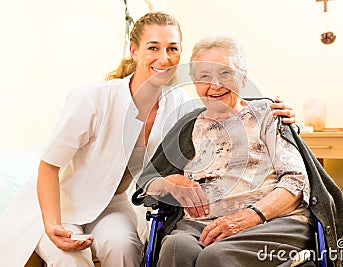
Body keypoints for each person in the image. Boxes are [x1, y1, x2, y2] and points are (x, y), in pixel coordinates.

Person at [0, 12, 296, 267]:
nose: (164, 58)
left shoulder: (180, 105)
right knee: (71, 260)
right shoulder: (94, 98)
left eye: (172, 48)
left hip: (113, 205)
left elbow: (230, 105)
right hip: (60, 205)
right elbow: (48, 166)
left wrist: (273, 109)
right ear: (134, 50)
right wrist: (52, 224)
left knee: (126, 249)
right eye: (153, 47)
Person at [132, 35, 313, 267]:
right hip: (201, 224)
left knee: (216, 257)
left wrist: (248, 217)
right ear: (195, 82)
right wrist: (169, 183)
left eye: (225, 73)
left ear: (243, 76)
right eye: (204, 77)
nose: (215, 85)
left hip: (272, 222)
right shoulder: (189, 125)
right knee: (175, 248)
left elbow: (297, 183)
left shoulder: (268, 114)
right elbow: (147, 183)